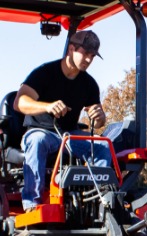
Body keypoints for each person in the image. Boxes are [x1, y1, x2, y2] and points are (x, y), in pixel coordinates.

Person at [15, 30, 108, 210]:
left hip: (69, 136)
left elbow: (97, 124)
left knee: (102, 147)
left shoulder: (89, 84)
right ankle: (32, 204)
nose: (88, 60)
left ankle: (101, 199)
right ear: (71, 49)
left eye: (92, 56)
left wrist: (100, 118)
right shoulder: (45, 73)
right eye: (85, 54)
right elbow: (19, 102)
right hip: (42, 131)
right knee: (37, 140)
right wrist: (47, 106)